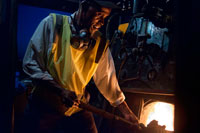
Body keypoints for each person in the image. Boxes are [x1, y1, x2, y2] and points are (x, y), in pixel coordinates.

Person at [22, 0, 139, 133]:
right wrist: (60, 90)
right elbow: (30, 64)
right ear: (83, 6)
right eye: (99, 15)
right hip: (45, 107)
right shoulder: (53, 24)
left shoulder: (99, 43)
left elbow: (108, 81)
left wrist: (127, 113)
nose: (101, 23)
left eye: (105, 18)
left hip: (76, 107)